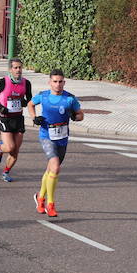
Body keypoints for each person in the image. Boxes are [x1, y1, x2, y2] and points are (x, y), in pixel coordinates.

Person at [27, 70, 84, 218]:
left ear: (64, 83)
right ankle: (50, 204)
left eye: (60, 82)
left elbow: (81, 115)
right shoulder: (44, 96)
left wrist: (75, 117)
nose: (58, 84)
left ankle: (40, 198)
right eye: (55, 81)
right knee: (56, 167)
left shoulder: (70, 99)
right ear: (50, 82)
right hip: (46, 136)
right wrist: (34, 118)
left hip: (62, 139)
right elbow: (30, 104)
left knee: (51, 170)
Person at [0, 58, 32, 182]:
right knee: (9, 147)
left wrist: (24, 102)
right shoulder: (3, 82)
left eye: (20, 67)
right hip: (5, 119)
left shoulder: (26, 83)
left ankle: (5, 172)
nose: (18, 70)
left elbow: (29, 97)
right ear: (10, 69)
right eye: (15, 68)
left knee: (15, 151)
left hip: (18, 119)